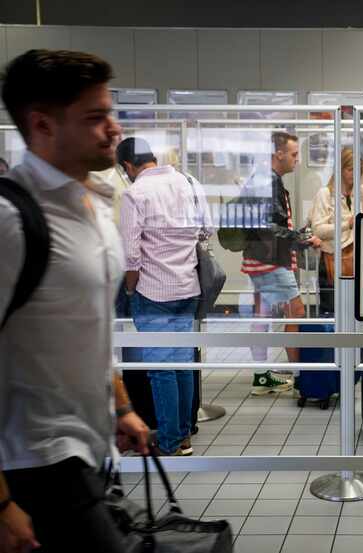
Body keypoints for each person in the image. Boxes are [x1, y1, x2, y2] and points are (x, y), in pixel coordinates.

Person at [0, 48, 149, 553]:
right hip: (33, 464)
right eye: (95, 117)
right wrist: (0, 504)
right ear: (41, 124)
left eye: (110, 112)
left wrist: (120, 405)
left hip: (88, 451)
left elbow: (87, 327)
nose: (114, 129)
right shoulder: (12, 222)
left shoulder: (93, 206)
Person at [118, 136, 211, 456]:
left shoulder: (135, 193)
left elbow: (130, 256)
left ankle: (170, 441)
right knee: (183, 364)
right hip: (188, 287)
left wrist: (130, 289)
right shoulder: (189, 182)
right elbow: (206, 230)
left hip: (153, 291)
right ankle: (183, 435)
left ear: (128, 166)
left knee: (160, 369)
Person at [238, 132, 321, 395]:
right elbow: (268, 227)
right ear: (278, 154)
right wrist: (299, 237)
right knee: (295, 312)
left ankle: (262, 376)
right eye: (294, 154)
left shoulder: (263, 179)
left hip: (261, 258)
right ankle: (300, 377)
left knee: (262, 314)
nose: (297, 160)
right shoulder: (267, 181)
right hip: (270, 260)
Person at [309, 146, 363, 314]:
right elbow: (318, 230)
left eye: (358, 170)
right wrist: (347, 224)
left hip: (360, 260)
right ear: (340, 170)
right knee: (332, 310)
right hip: (331, 260)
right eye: (350, 169)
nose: (354, 174)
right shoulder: (325, 193)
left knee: (358, 310)